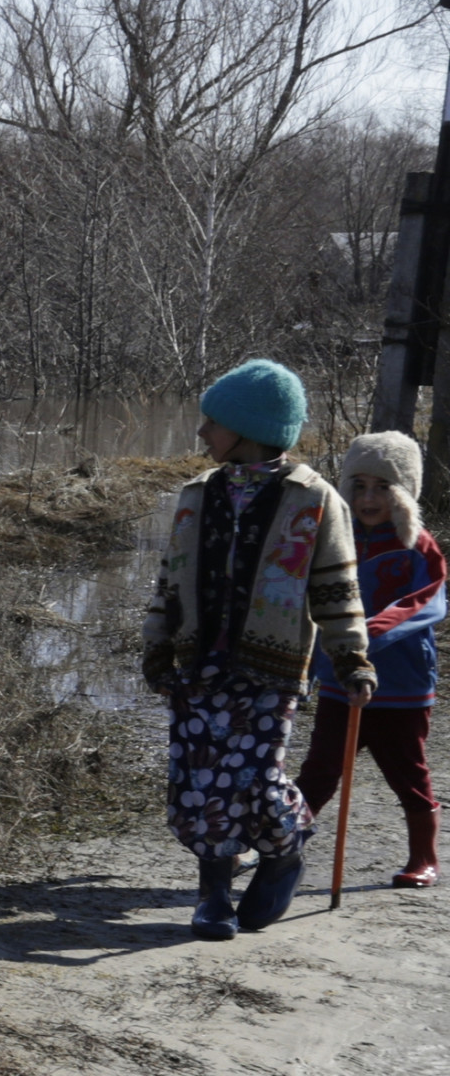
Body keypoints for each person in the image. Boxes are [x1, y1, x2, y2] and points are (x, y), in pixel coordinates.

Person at [139, 359, 375, 940]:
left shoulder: (313, 500)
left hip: (269, 667)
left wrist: (351, 657)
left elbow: (336, 588)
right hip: (197, 662)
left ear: (249, 430)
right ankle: (214, 890)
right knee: (196, 781)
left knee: (253, 777)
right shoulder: (196, 495)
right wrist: (156, 645)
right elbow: (171, 579)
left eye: (212, 422)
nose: (202, 434)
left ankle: (286, 846)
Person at [299, 429, 444, 888]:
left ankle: (424, 858)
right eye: (359, 485)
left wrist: (370, 633)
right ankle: (280, 846)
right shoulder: (332, 539)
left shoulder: (418, 545)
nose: (368, 498)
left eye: (383, 487)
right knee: (319, 770)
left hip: (401, 683)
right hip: (338, 678)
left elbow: (431, 600)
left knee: (408, 774)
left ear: (403, 492)